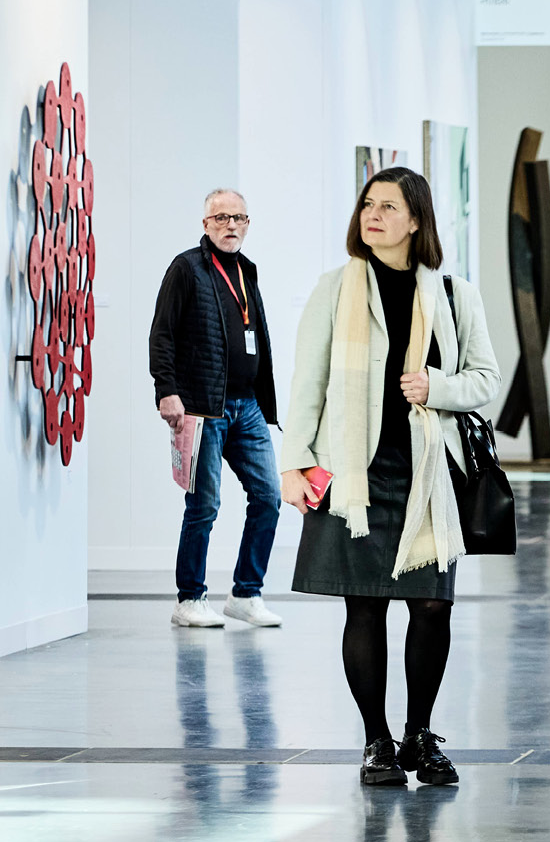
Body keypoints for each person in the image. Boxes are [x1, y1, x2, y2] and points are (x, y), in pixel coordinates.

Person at [281, 167, 501, 787]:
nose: (372, 216)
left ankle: (419, 736)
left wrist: (438, 387)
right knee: (366, 607)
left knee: (432, 605)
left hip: (429, 473)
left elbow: (486, 378)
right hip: (355, 474)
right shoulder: (335, 288)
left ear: (416, 220)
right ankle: (377, 742)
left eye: (388, 207)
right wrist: (294, 463)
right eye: (367, 205)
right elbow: (308, 383)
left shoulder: (455, 294)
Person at [149, 189, 283, 629]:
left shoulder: (247, 271)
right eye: (221, 217)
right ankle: (189, 599)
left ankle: (246, 593)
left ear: (248, 224)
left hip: (248, 407)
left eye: (238, 217)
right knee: (204, 505)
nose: (230, 225)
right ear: (205, 224)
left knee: (269, 496)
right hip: (203, 408)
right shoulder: (187, 268)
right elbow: (162, 334)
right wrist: (167, 391)